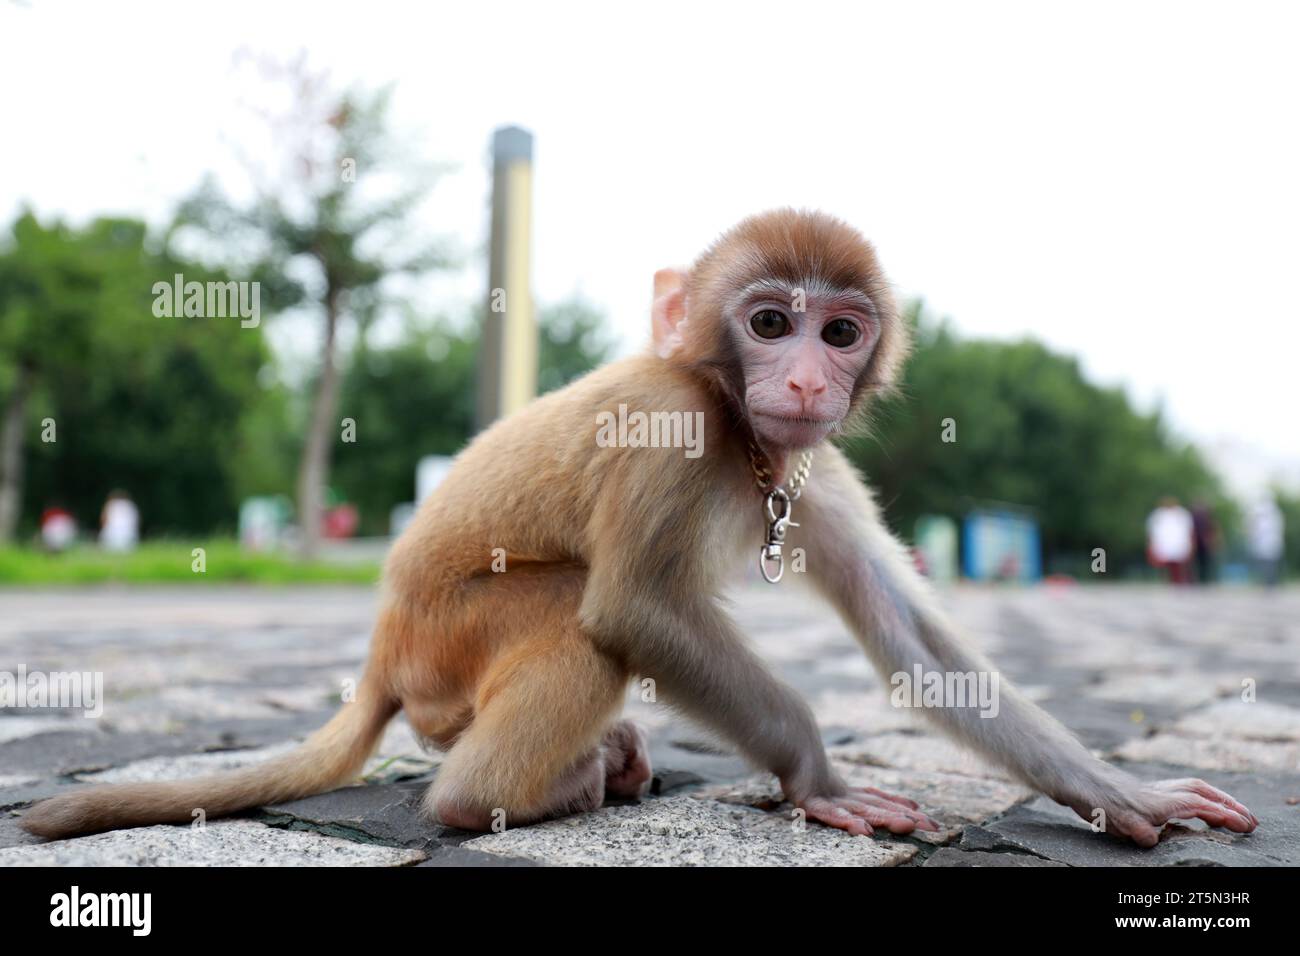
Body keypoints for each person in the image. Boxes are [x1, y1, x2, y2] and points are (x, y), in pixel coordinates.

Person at [1146, 496, 1193, 584]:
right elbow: (1152, 530)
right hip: (1164, 544)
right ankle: (1165, 581)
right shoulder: (1158, 515)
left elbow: (1188, 530)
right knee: (1164, 564)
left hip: (1178, 543)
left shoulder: (1182, 514)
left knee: (1178, 564)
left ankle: (1178, 581)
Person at [1247, 495, 1285, 588]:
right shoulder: (1269, 515)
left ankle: (1270, 583)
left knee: (1270, 565)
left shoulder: (1274, 515)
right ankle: (1267, 583)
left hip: (1270, 543)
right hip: (1266, 544)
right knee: (1266, 565)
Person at [1190, 498, 1220, 584]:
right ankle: (1197, 579)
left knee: (1206, 562)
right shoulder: (1193, 518)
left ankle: (1205, 579)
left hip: (1205, 543)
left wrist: (1213, 541)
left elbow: (1213, 530)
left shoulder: (1209, 518)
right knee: (1196, 562)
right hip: (1196, 543)